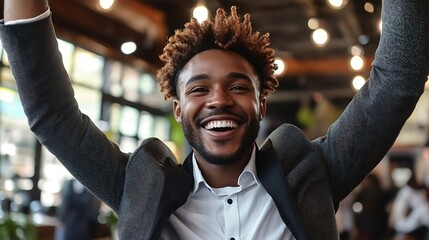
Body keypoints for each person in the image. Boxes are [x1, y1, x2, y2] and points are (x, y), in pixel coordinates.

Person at [1, 0, 428, 239]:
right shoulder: (141, 187)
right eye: (198, 89)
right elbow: (51, 115)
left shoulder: (311, 175)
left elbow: (397, 81)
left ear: (262, 106)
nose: (218, 100)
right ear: (177, 109)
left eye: (239, 87)